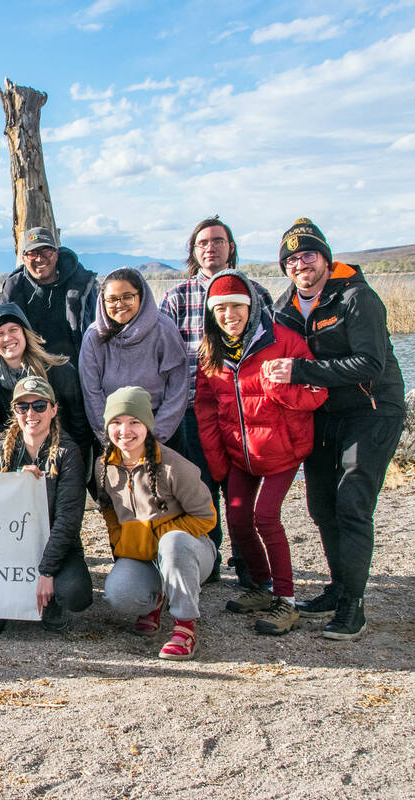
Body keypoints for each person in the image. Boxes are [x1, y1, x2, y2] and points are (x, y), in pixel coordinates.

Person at [267, 218, 405, 641]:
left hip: (371, 409)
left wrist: (300, 369)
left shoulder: (357, 298)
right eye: (290, 259)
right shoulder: (284, 308)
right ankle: (338, 587)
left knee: (351, 505)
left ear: (325, 258)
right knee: (321, 506)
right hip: (323, 415)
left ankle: (354, 605)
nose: (299, 264)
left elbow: (370, 363)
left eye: (307, 254)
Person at [194, 271, 327, 635]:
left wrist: (279, 390)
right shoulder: (211, 351)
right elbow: (205, 409)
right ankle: (261, 586)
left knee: (265, 517)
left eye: (236, 305)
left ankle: (286, 600)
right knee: (237, 519)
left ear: (251, 307)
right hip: (241, 454)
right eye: (220, 308)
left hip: (283, 450)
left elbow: (318, 393)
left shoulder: (283, 341)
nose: (229, 314)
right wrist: (218, 460)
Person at [160, 218, 273, 585]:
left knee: (242, 489)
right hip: (194, 409)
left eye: (219, 241)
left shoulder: (255, 292)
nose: (211, 248)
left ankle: (247, 563)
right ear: (193, 251)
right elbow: (164, 355)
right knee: (202, 486)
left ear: (231, 247)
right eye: (203, 242)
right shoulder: (178, 297)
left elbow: (269, 347)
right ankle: (206, 556)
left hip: (243, 410)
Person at [94, 387, 217, 660]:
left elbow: (206, 517)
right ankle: (154, 600)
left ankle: (185, 627)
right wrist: (120, 538)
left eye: (134, 422)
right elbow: (107, 508)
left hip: (189, 551)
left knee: (173, 542)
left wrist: (157, 536)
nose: (124, 431)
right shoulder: (103, 466)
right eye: (116, 422)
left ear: (147, 426)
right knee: (119, 595)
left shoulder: (174, 466)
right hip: (142, 554)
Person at [0, 376, 94, 637]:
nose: (31, 413)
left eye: (40, 405)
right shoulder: (0, 452)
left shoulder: (68, 453)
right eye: (23, 407)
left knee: (75, 593)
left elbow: (68, 520)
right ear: (14, 411)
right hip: (9, 552)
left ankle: (51, 599)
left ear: (53, 409)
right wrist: (15, 481)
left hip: (56, 549)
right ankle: (18, 598)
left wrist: (46, 570)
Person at [79, 267, 188, 451]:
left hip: (161, 429)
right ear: (102, 301)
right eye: (112, 299)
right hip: (115, 432)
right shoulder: (94, 336)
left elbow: (178, 388)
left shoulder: (163, 329)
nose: (119, 304)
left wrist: (155, 437)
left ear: (141, 296)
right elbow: (92, 394)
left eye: (127, 296)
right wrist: (110, 439)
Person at [0, 302, 92, 457]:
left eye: (13, 329)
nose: (7, 337)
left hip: (62, 457)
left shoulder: (59, 370)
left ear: (25, 332)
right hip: (15, 462)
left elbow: (80, 424)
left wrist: (78, 464)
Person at [0, 226, 98, 363]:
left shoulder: (82, 287)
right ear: (24, 258)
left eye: (46, 251)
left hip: (77, 367)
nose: (39, 259)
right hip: (30, 369)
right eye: (32, 253)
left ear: (56, 254)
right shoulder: (13, 291)